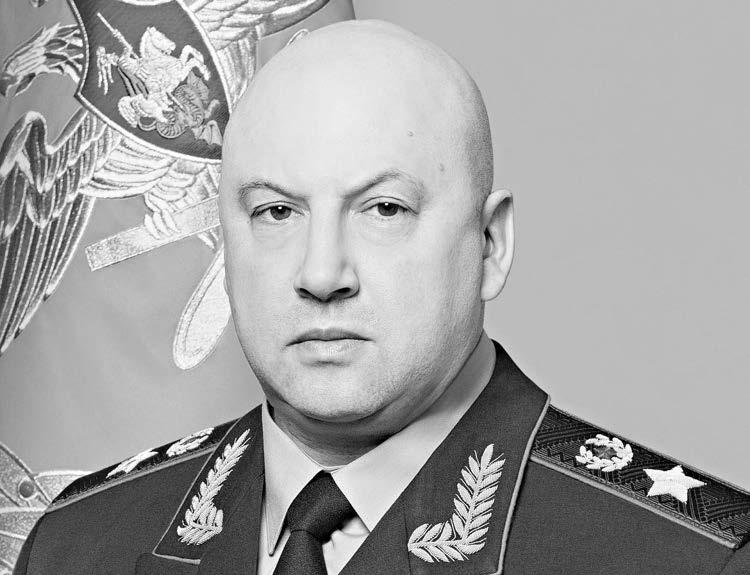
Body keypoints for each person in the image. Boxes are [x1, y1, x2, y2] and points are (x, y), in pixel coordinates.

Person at [14, 20, 750, 575]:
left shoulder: (687, 558)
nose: (322, 273)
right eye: (276, 211)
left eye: (384, 209)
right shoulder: (76, 546)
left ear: (490, 244)